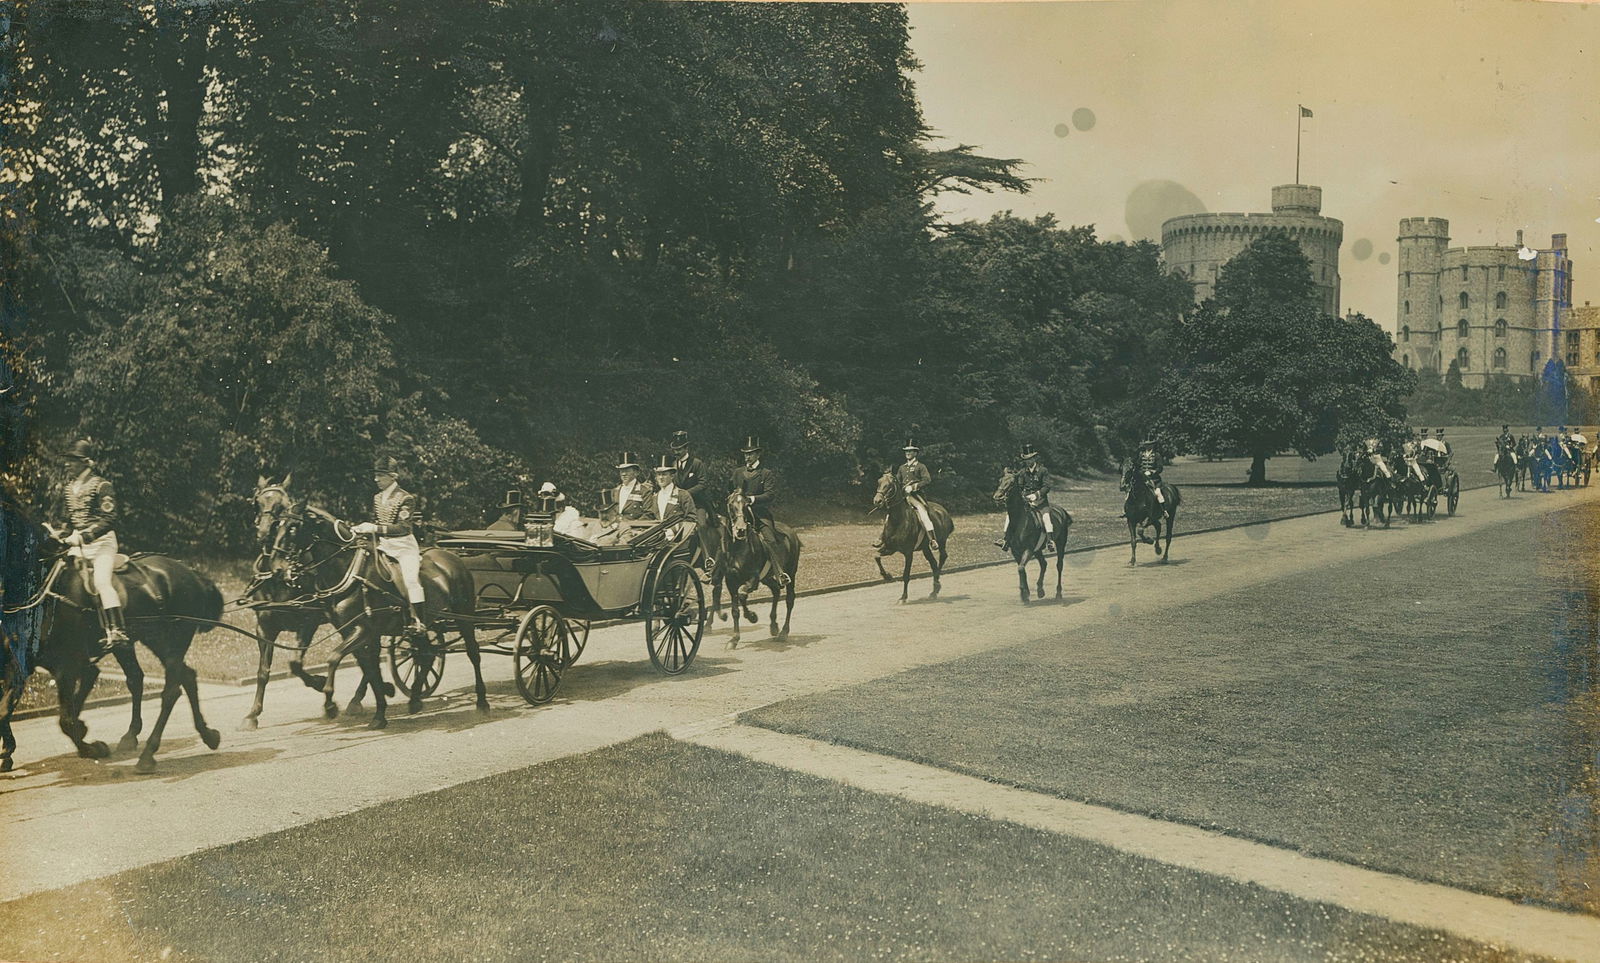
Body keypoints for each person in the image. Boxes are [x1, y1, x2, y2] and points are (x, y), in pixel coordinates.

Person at [55, 439, 130, 655]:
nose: (68, 464)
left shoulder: (102, 486)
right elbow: (67, 519)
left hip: (102, 544)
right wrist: (58, 532)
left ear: (86, 462)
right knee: (57, 577)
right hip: (77, 543)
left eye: (73, 461)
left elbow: (109, 519)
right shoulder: (68, 488)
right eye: (68, 460)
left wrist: (85, 536)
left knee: (101, 581)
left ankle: (117, 631)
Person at [351, 455, 427, 634]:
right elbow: (376, 521)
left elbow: (403, 528)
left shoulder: (405, 498)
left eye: (381, 475)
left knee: (411, 580)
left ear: (393, 476)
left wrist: (374, 528)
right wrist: (362, 530)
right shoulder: (377, 498)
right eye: (376, 475)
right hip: (382, 545)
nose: (376, 479)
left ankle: (419, 621)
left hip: (403, 547)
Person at [730, 436, 790, 588]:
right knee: (723, 537)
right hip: (739, 514)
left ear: (758, 455)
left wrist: (752, 499)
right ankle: (718, 570)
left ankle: (779, 572)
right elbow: (730, 490)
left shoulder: (766, 473)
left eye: (751, 454)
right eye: (745, 454)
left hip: (759, 514)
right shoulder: (738, 472)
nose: (747, 457)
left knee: (770, 539)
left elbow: (770, 494)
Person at [875, 438, 938, 553]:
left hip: (916, 496)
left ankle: (932, 539)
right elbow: (898, 482)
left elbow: (927, 480)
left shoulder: (920, 466)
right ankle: (882, 538)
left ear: (915, 453)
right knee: (890, 515)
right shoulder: (902, 467)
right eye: (906, 451)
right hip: (903, 496)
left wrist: (914, 487)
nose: (908, 453)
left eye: (910, 451)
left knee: (923, 514)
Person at [998, 444, 1054, 550]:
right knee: (1009, 516)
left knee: (1046, 518)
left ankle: (1050, 541)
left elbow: (1047, 486)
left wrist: (1036, 495)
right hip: (1026, 501)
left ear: (1034, 458)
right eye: (1026, 459)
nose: (1028, 461)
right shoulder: (1023, 472)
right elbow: (1019, 486)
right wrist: (1022, 495)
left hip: (1040, 502)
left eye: (1030, 459)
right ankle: (1005, 539)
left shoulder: (1043, 470)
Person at [651, 455, 698, 544]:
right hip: (657, 541)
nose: (661, 478)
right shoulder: (654, 497)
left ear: (672, 476)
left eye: (664, 474)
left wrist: (673, 530)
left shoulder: (682, 495)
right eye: (658, 474)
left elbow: (691, 519)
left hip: (679, 541)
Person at [669, 430, 711, 519]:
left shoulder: (696, 463)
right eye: (675, 450)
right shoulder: (673, 464)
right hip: (677, 503)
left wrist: (686, 493)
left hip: (697, 502)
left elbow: (703, 484)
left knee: (701, 526)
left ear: (686, 448)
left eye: (679, 450)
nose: (676, 453)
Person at [609, 452, 655, 521]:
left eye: (627, 471)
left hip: (636, 529)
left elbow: (649, 514)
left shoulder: (644, 491)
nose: (624, 474)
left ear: (636, 472)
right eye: (621, 471)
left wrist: (635, 524)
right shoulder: (615, 491)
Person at [1122, 435, 1168, 504]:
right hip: (1142, 478)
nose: (1147, 446)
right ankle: (1127, 510)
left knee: (1158, 493)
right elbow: (1137, 464)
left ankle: (1164, 511)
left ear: (1152, 445)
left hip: (1154, 479)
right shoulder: (1141, 454)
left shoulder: (1157, 455)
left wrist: (1152, 472)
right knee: (1130, 492)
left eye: (1149, 445)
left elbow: (1160, 468)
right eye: (1146, 445)